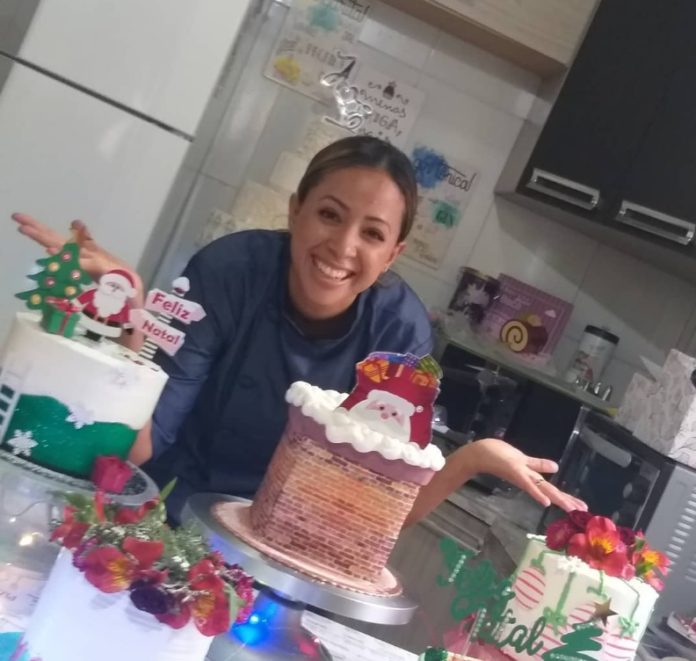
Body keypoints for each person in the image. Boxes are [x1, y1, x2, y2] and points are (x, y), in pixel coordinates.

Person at [12, 135, 586, 524]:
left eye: (372, 234)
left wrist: (472, 457)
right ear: (295, 211)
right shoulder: (228, 272)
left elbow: (373, 514)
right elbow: (140, 446)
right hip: (158, 510)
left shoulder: (398, 335)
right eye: (330, 215)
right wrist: (130, 313)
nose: (343, 246)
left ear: (393, 254)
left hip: (278, 547)